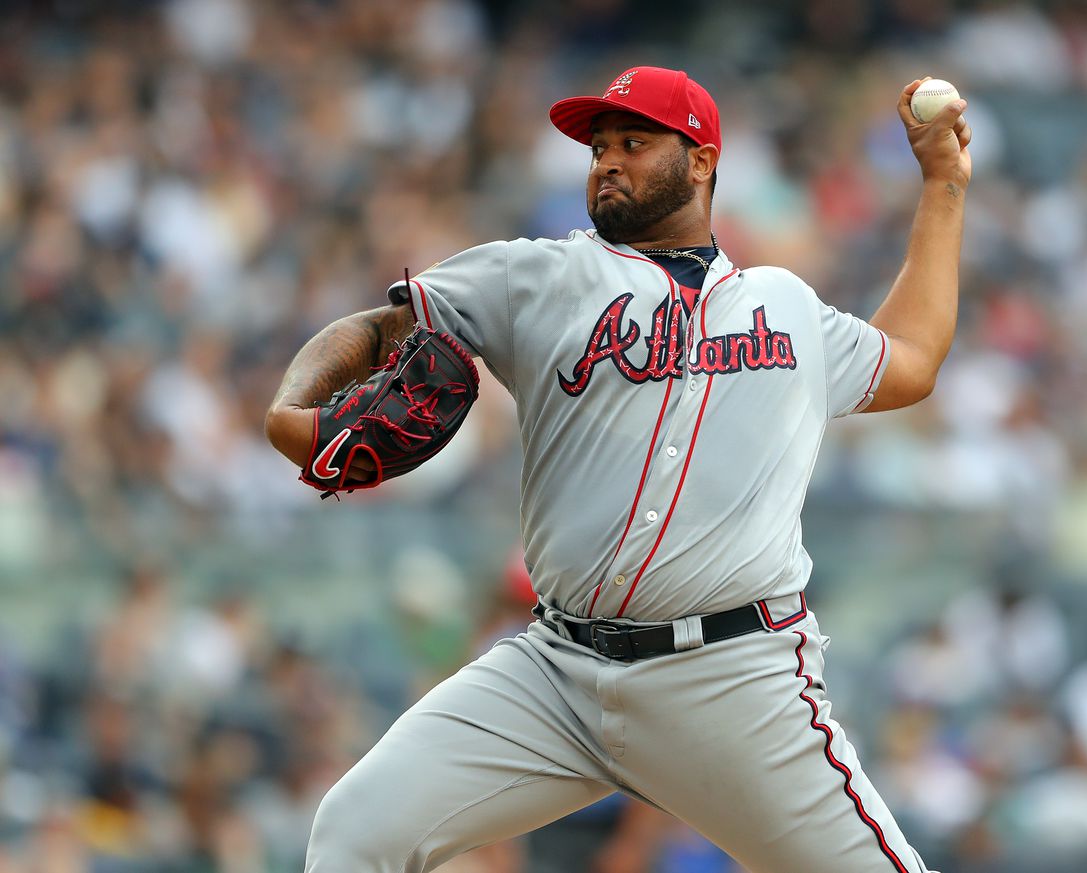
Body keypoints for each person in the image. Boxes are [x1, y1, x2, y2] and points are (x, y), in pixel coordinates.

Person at [265, 65, 970, 873]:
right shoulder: (538, 275)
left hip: (731, 681)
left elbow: (912, 358)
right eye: (599, 146)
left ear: (701, 160)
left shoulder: (786, 306)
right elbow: (380, 327)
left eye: (634, 142)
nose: (606, 161)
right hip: (555, 672)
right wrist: (292, 405)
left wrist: (944, 184)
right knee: (356, 830)